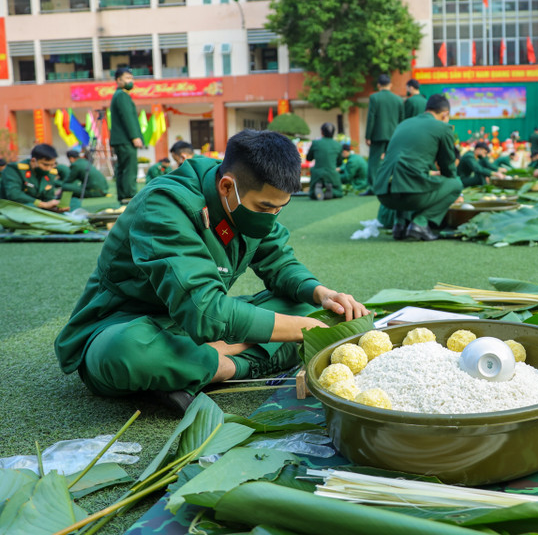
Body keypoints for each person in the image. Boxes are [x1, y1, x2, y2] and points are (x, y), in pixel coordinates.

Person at [54, 130, 368, 413]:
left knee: (307, 308)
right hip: (127, 325)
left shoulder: (248, 203)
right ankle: (226, 367)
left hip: (196, 323)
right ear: (227, 186)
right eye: (264, 208)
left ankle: (208, 363)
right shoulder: (165, 205)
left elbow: (280, 263)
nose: (272, 218)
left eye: (279, 208)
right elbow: (204, 312)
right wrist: (304, 330)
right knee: (125, 353)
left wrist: (322, 293)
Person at [374, 94, 463, 242]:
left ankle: (400, 225)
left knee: (402, 179)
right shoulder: (443, 127)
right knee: (455, 184)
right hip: (411, 196)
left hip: (384, 194)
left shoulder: (403, 124)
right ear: (445, 114)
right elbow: (449, 169)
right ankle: (420, 224)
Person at [109, 67, 144, 204]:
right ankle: (129, 196)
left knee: (123, 168)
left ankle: (124, 197)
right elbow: (127, 117)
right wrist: (135, 136)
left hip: (121, 139)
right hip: (125, 139)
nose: (131, 81)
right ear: (118, 80)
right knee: (129, 168)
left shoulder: (119, 95)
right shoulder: (122, 96)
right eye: (127, 78)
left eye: (132, 78)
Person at [365, 74, 404, 193]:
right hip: (394, 135)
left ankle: (373, 187)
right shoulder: (398, 99)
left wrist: (368, 136)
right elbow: (402, 119)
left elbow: (371, 117)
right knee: (393, 160)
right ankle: (393, 185)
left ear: (378, 85)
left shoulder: (374, 97)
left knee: (374, 162)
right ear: (391, 85)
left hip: (378, 135)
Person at [1, 144, 64, 211]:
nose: (49, 168)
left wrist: (55, 207)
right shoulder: (15, 169)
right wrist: (41, 204)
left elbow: (48, 197)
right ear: (33, 161)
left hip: (35, 211)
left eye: (52, 165)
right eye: (45, 164)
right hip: (10, 210)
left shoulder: (50, 173)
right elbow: (14, 194)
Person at [306, 123, 343, 200]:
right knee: (339, 192)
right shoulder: (338, 145)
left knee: (312, 194)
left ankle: (318, 186)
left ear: (322, 132)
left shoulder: (316, 143)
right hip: (332, 174)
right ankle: (331, 191)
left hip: (317, 174)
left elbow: (309, 158)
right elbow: (339, 163)